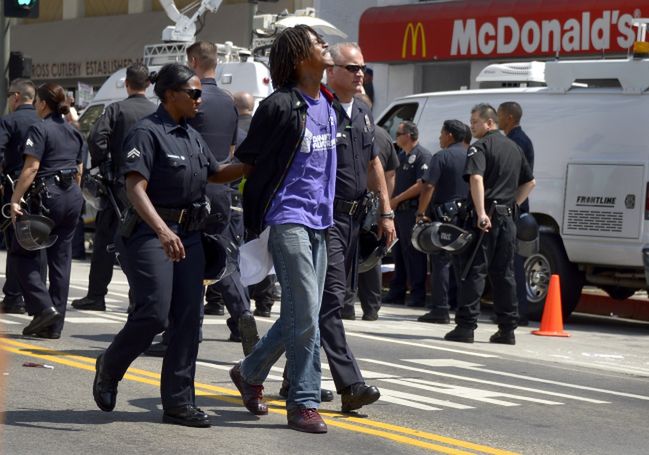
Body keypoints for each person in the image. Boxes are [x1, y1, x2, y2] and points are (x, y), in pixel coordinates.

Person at [92, 63, 248, 427]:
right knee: (155, 313)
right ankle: (110, 365)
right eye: (193, 93)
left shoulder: (191, 135)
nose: (199, 100)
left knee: (188, 320)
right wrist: (163, 231)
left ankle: (178, 403)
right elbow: (135, 187)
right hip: (150, 234)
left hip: (190, 236)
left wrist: (251, 165)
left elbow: (216, 172)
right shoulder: (146, 133)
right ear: (169, 94)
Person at [230, 24, 337, 434]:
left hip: (322, 221)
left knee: (301, 312)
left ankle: (249, 370)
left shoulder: (329, 103)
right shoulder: (278, 106)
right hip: (287, 216)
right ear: (298, 58)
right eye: (316, 43)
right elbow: (249, 161)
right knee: (306, 313)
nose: (324, 46)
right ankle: (303, 401)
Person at [282, 42, 395, 413]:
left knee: (325, 302)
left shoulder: (362, 112)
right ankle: (350, 383)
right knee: (328, 302)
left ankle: (280, 375)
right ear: (332, 71)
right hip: (323, 218)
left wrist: (386, 212)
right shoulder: (319, 107)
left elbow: (374, 163)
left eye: (363, 68)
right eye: (351, 68)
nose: (360, 74)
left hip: (353, 220)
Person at [146, 41, 257, 356]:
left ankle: (183, 333)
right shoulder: (228, 102)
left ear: (192, 61)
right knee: (224, 256)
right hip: (221, 186)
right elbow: (233, 151)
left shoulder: (188, 99)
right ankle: (242, 314)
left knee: (186, 258)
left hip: (189, 186)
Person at [444, 103, 535, 345]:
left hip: (486, 219)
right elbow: (530, 182)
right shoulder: (514, 147)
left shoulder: (480, 147)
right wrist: (513, 205)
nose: (472, 126)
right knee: (504, 275)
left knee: (474, 270)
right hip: (507, 219)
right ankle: (507, 329)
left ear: (489, 123)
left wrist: (482, 212)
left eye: (475, 122)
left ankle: (466, 326)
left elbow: (476, 177)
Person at [72, 63, 156, 311]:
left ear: (127, 84)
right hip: (149, 187)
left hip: (119, 185)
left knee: (106, 242)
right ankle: (137, 298)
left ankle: (96, 295)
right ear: (148, 85)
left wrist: (104, 164)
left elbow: (96, 139)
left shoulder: (116, 109)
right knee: (142, 242)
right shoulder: (156, 111)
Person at [9, 82, 85, 338]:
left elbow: (31, 168)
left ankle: (43, 308)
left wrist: (16, 199)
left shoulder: (39, 129)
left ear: (42, 103)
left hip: (47, 197)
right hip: (72, 196)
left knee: (22, 253)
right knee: (61, 261)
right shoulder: (74, 132)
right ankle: (54, 327)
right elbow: (79, 170)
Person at [342, 119, 399, 321]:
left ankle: (346, 305)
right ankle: (372, 308)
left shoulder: (350, 129)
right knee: (373, 253)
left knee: (348, 251)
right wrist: (385, 204)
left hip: (353, 200)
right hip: (375, 202)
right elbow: (391, 173)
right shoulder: (384, 135)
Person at [416, 120, 471, 324]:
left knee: (441, 262)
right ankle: (461, 306)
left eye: (441, 133)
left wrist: (421, 212)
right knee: (463, 263)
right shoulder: (473, 154)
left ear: (449, 135)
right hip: (468, 216)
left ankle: (440, 309)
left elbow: (428, 185)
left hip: (446, 216)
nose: (439, 137)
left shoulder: (442, 156)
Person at [0, 78, 40, 314]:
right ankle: (37, 300)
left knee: (15, 243)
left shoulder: (8, 121)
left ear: (16, 97)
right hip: (44, 189)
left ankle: (14, 297)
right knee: (38, 243)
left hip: (15, 185)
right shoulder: (44, 121)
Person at [383, 121, 432, 307]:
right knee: (399, 254)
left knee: (414, 255)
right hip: (398, 213)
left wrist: (397, 199)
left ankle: (417, 295)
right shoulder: (402, 155)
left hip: (411, 211)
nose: (396, 137)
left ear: (409, 135)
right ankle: (397, 292)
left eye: (399, 133)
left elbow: (422, 184)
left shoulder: (422, 155)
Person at [497, 101, 535, 326]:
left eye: (500, 115)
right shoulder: (519, 139)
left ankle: (517, 311)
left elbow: (525, 179)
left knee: (512, 264)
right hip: (515, 207)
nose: (499, 119)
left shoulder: (516, 142)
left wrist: (513, 206)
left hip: (514, 208)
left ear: (509, 117)